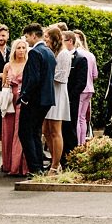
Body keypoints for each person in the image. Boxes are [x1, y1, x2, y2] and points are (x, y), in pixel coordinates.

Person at [17, 24, 56, 176]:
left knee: (25, 133)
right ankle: (38, 166)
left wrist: (25, 96)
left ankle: (34, 169)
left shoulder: (35, 53)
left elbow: (34, 78)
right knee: (35, 132)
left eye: (27, 37)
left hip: (34, 99)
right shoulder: (49, 52)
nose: (26, 41)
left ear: (34, 35)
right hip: (46, 99)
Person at [0, 39, 31, 178]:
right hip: (9, 101)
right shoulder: (8, 65)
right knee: (8, 131)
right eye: (18, 47)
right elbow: (3, 86)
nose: (21, 50)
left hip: (23, 100)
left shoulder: (29, 64)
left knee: (20, 131)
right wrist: (6, 83)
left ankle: (19, 166)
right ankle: (8, 164)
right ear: (14, 50)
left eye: (23, 47)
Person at [44, 26, 71, 174]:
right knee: (46, 130)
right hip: (49, 93)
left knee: (55, 130)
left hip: (58, 93)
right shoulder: (52, 52)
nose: (45, 39)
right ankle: (54, 160)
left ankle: (56, 164)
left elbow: (61, 77)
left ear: (54, 38)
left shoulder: (64, 54)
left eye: (47, 36)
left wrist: (43, 75)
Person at [63, 33, 89, 156]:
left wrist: (70, 97)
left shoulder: (80, 59)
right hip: (59, 98)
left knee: (70, 128)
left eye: (64, 40)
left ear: (71, 41)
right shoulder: (59, 57)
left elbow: (81, 83)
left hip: (71, 99)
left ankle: (71, 156)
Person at [72, 31, 98, 147]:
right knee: (83, 118)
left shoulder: (76, 55)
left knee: (76, 117)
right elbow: (95, 75)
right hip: (89, 89)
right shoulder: (91, 55)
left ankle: (77, 144)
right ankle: (82, 143)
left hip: (80, 89)